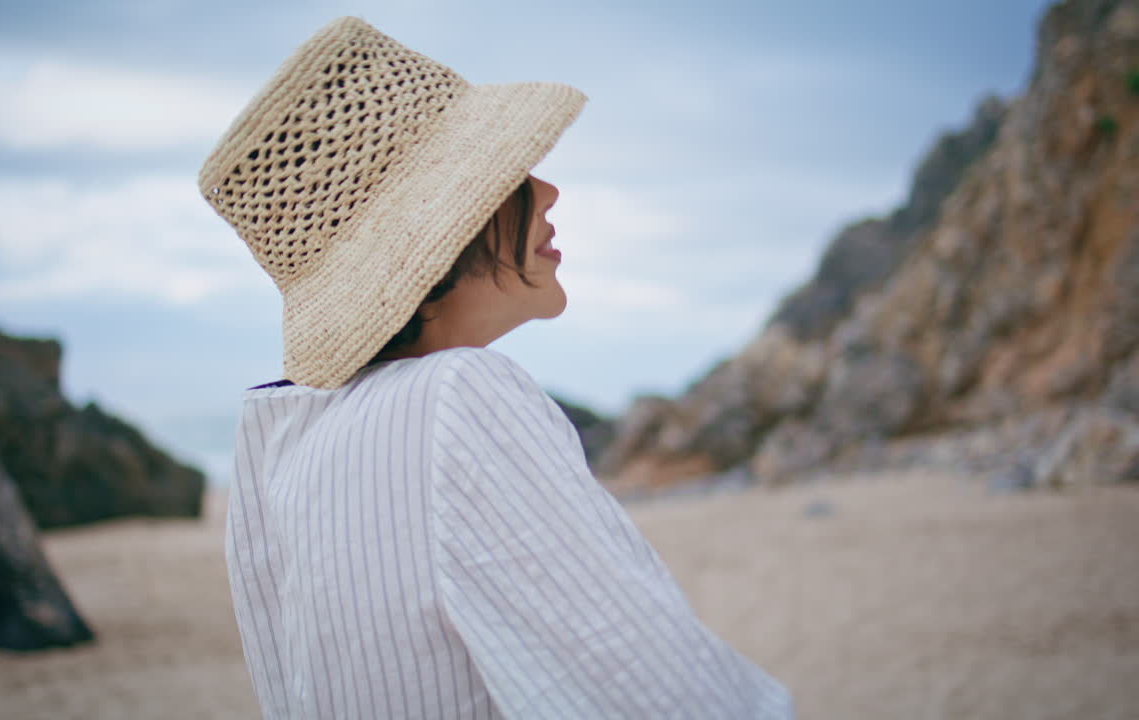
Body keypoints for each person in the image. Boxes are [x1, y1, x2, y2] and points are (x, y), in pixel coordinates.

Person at [199, 16, 794, 720]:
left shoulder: (282, 441)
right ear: (439, 225)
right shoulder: (459, 399)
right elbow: (657, 695)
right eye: (508, 174)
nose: (547, 191)